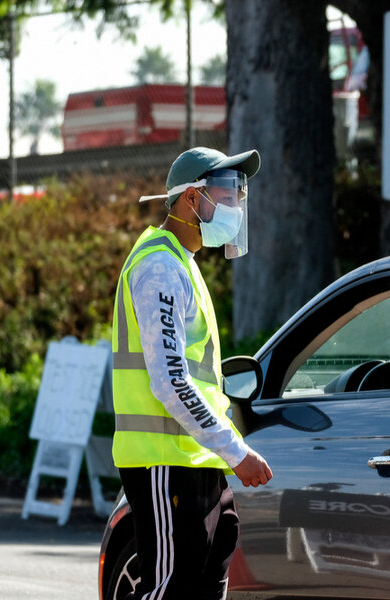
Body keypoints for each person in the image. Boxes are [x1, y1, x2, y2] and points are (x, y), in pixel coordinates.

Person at [111, 147, 273, 600]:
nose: (235, 205)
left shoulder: (184, 263)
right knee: (169, 591)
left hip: (197, 461)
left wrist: (223, 454)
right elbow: (170, 381)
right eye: (225, 193)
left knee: (202, 588)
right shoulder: (160, 267)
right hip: (164, 464)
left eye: (238, 193)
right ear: (189, 199)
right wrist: (235, 451)